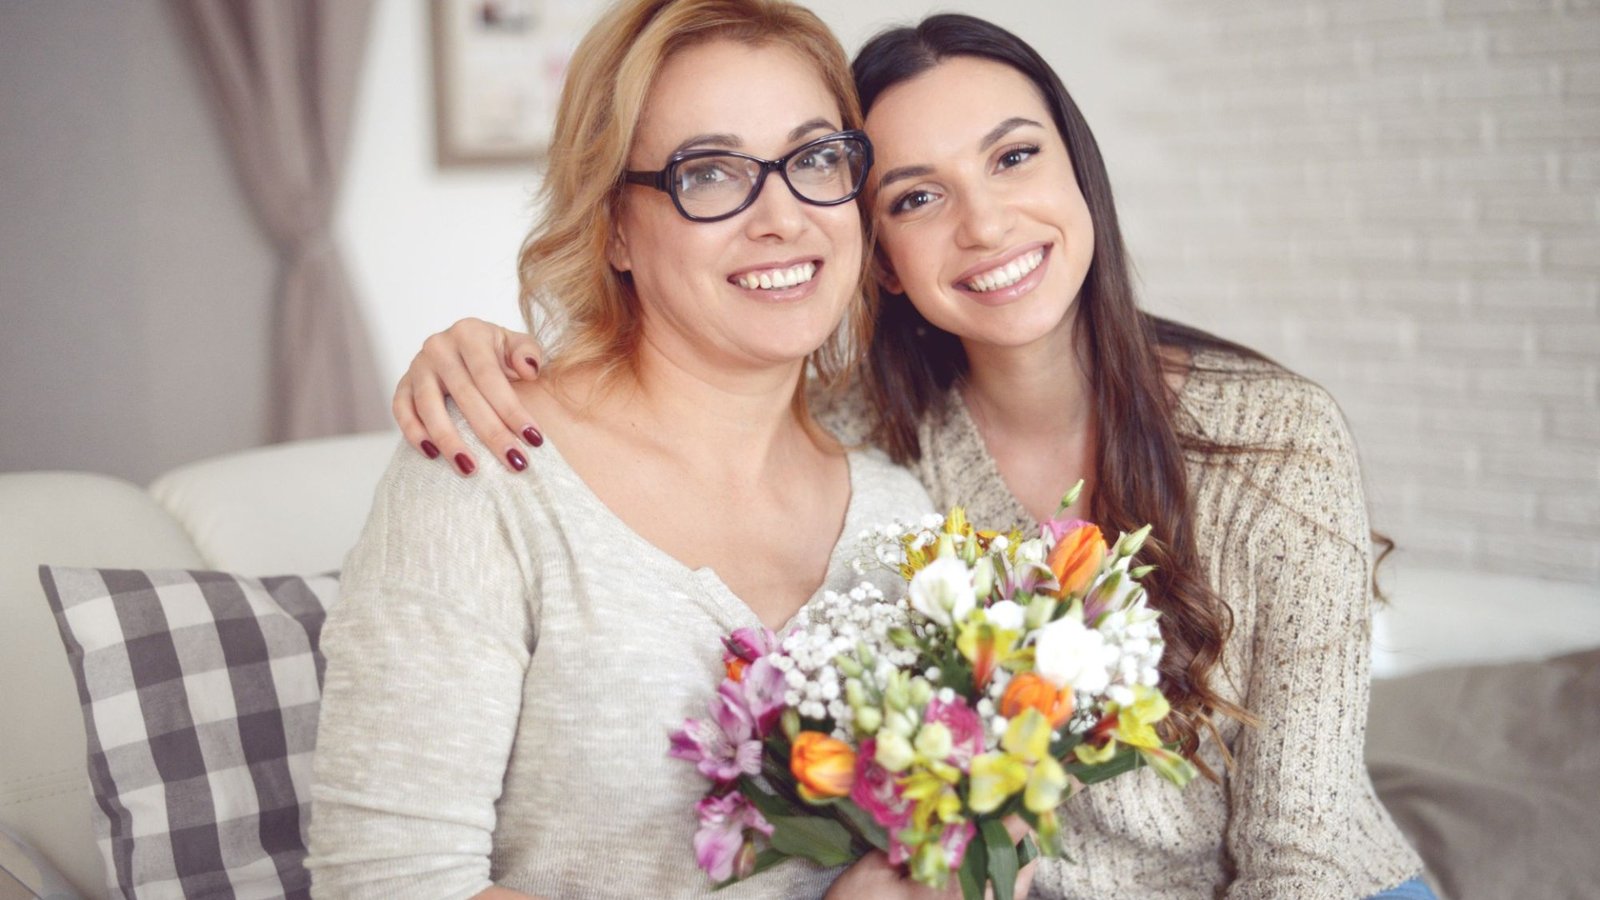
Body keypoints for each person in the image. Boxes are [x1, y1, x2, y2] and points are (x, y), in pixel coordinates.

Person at [388, 10, 1438, 900]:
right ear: (878, 254)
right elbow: (687, 393)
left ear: (1081, 174)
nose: (985, 223)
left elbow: (1301, 850)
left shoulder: (1271, 439)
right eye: (916, 197)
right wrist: (486, 358)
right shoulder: (863, 442)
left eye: (1014, 157)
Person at [302, 1, 953, 897]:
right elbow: (388, 883)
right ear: (612, 225)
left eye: (813, 159)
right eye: (709, 172)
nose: (783, 217)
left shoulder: (902, 521)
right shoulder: (487, 468)